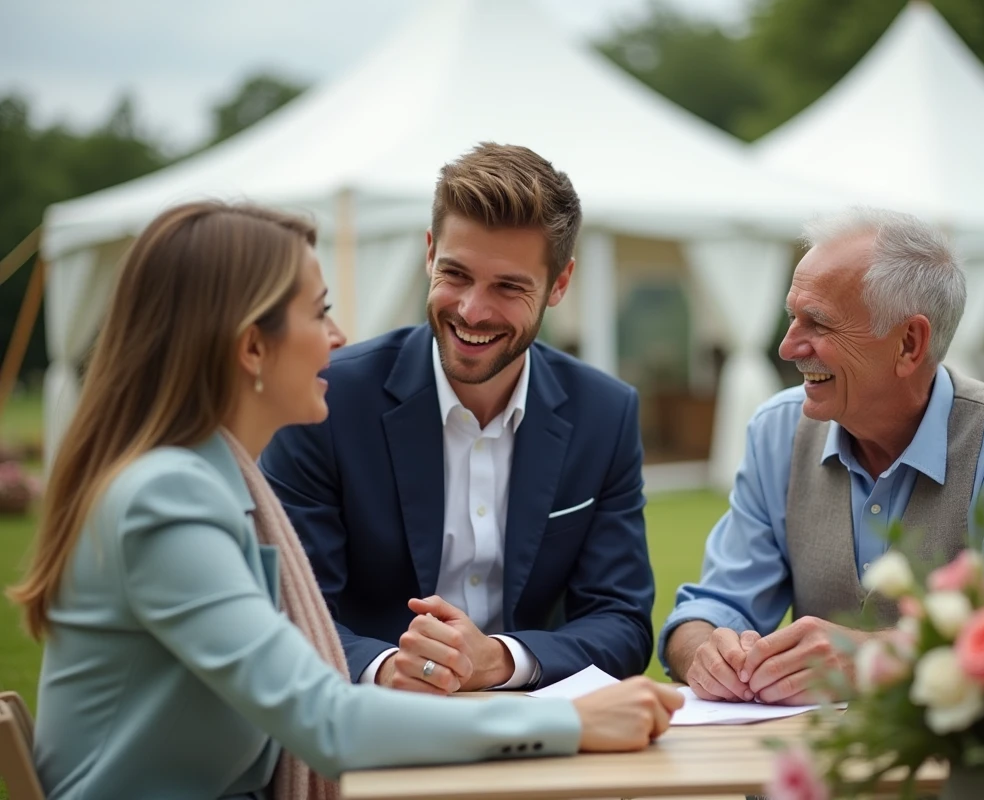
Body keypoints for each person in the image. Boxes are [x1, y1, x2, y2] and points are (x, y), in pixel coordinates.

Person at [7, 201, 682, 800]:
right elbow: (325, 718)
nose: (337, 339)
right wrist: (569, 721)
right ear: (251, 346)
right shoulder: (167, 498)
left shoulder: (206, 479)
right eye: (320, 311)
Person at [260, 143, 654, 693]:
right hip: (367, 732)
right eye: (456, 274)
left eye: (509, 287)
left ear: (560, 284)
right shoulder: (325, 400)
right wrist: (391, 669)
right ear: (428, 254)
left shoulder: (605, 414)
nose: (472, 310)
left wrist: (499, 659)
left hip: (542, 738)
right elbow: (289, 609)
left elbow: (623, 622)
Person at [659, 207, 984, 706]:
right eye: (791, 316)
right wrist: (706, 652)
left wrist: (868, 658)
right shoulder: (777, 430)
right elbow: (715, 605)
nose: (788, 346)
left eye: (818, 323)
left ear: (909, 343)